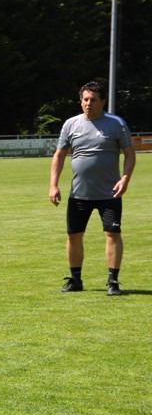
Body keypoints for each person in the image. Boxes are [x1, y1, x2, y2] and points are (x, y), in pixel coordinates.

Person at [49, 80, 136, 296]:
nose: (89, 103)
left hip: (110, 193)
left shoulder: (116, 123)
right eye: (85, 99)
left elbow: (130, 153)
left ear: (103, 101)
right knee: (74, 236)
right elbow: (59, 155)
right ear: (81, 101)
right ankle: (75, 279)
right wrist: (53, 185)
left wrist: (125, 178)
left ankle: (113, 281)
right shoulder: (71, 124)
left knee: (112, 234)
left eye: (93, 100)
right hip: (79, 194)